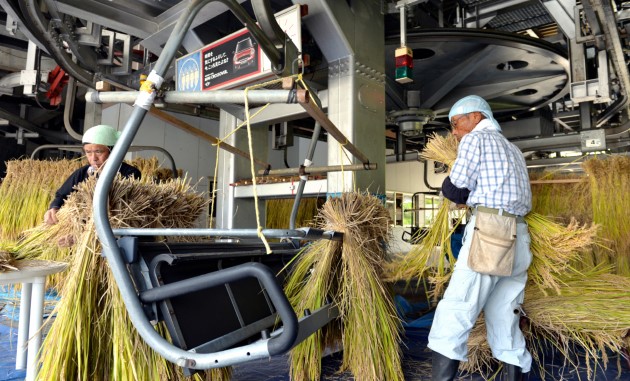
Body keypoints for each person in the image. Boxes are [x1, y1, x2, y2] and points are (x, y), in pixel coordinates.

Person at [428, 95, 532, 381]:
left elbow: (456, 188)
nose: (454, 132)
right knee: (503, 316)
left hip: (490, 234)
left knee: (455, 311)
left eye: (456, 123)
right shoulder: (514, 150)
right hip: (519, 238)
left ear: (476, 117)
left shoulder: (476, 140)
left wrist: (451, 189)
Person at [44, 124, 141, 225]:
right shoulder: (82, 173)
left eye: (98, 152)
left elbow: (120, 208)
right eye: (88, 152)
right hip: (80, 225)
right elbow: (61, 195)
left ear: (113, 151)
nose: (93, 158)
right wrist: (54, 208)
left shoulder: (130, 173)